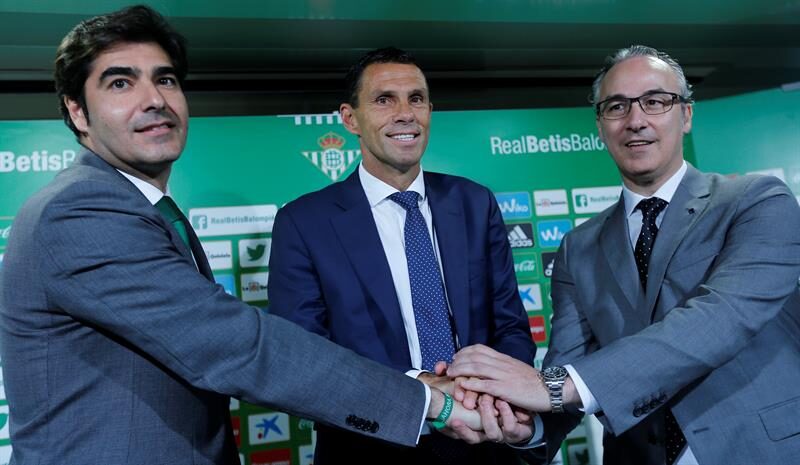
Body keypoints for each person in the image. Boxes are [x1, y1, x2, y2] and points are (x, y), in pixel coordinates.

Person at [0, 7, 480, 465]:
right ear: (78, 112)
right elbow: (236, 345)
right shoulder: (80, 211)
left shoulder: (144, 209)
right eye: (121, 83)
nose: (155, 99)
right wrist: (426, 402)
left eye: (165, 79)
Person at [447, 45, 800, 465]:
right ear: (600, 126)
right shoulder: (578, 247)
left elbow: (721, 318)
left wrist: (556, 387)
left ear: (686, 115)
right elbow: (568, 369)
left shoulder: (757, 201)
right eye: (617, 107)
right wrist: (530, 428)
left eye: (655, 101)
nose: (636, 120)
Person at [268, 47, 536, 464]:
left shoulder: (474, 202)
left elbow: (511, 327)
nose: (405, 113)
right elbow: (305, 356)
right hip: (367, 447)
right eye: (384, 100)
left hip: (483, 441)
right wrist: (424, 391)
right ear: (350, 119)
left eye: (417, 99)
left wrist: (487, 396)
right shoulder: (304, 222)